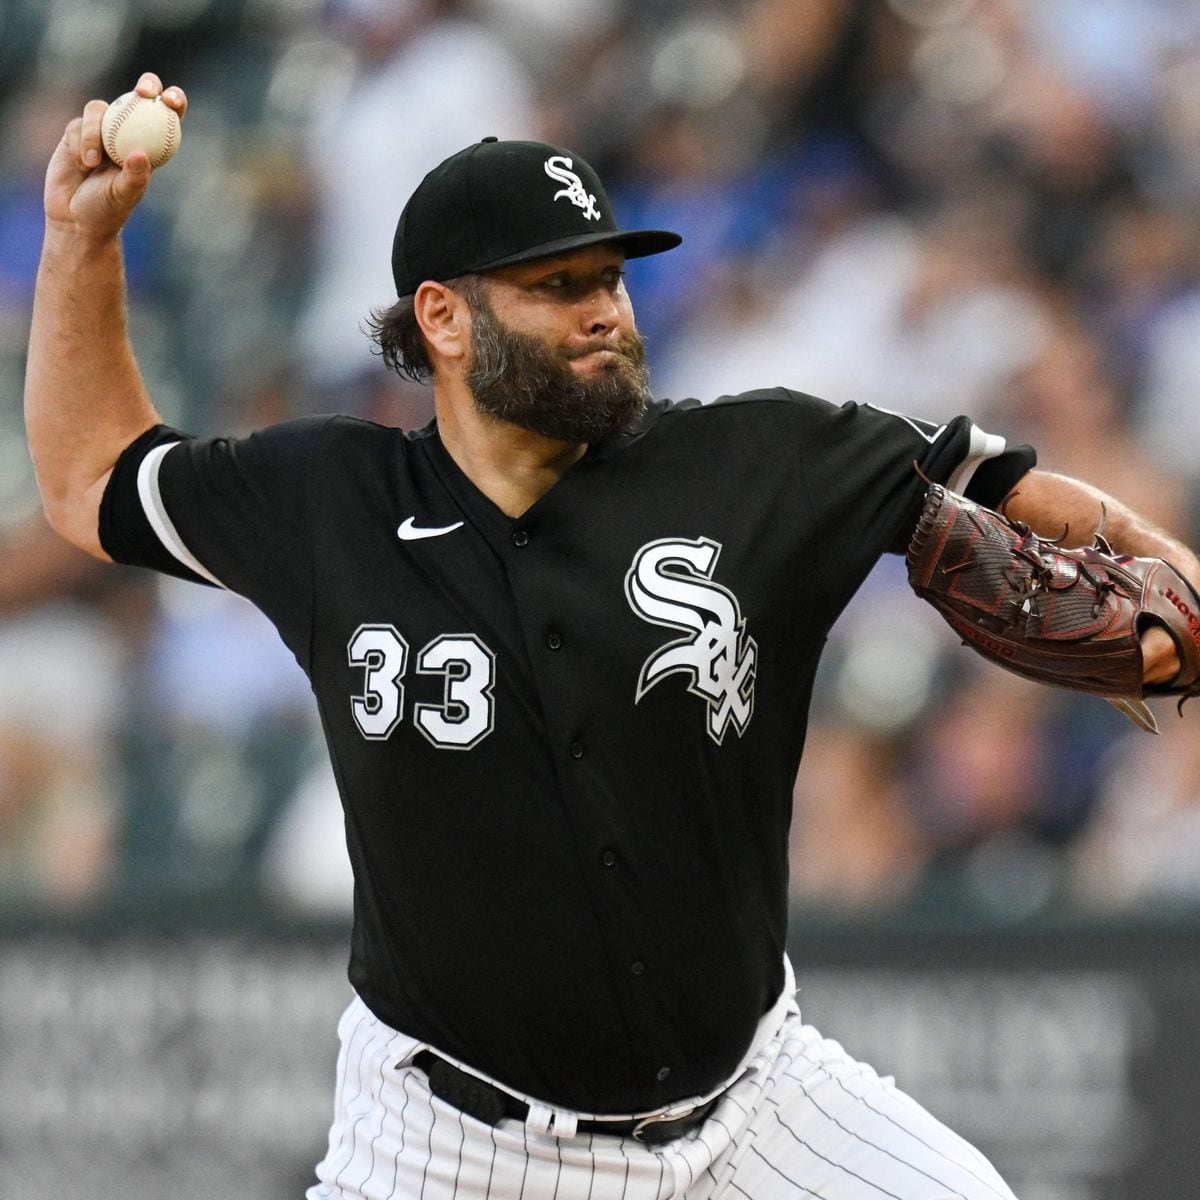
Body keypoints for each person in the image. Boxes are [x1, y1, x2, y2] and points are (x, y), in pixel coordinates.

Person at [25, 73, 1199, 1200]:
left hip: (757, 1107)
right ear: (443, 316)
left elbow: (1010, 488)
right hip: (452, 1150)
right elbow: (89, 481)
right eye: (555, 284)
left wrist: (1181, 579)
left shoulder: (760, 459)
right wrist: (84, 244)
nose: (604, 308)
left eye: (612, 278)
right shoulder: (327, 499)